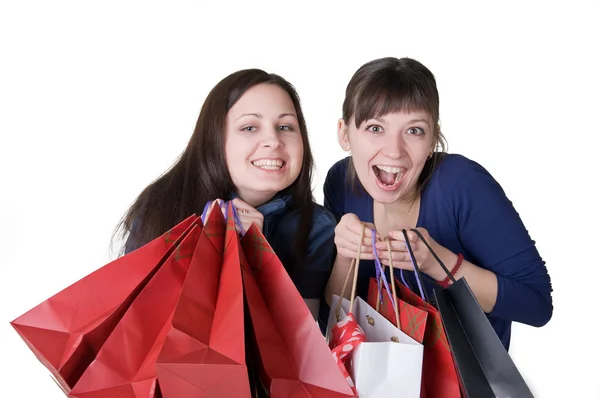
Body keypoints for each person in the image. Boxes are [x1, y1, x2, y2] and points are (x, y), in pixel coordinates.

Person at [323, 56, 553, 350]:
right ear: (345, 134)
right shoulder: (342, 182)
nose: (394, 151)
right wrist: (345, 255)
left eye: (414, 130)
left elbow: (537, 305)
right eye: (375, 128)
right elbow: (331, 318)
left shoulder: (461, 183)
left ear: (433, 140)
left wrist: (436, 262)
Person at [114, 68, 336, 322]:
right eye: (250, 127)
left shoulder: (316, 227)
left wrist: (255, 258)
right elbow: (134, 322)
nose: (273, 141)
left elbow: (301, 345)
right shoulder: (164, 205)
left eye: (285, 126)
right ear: (215, 138)